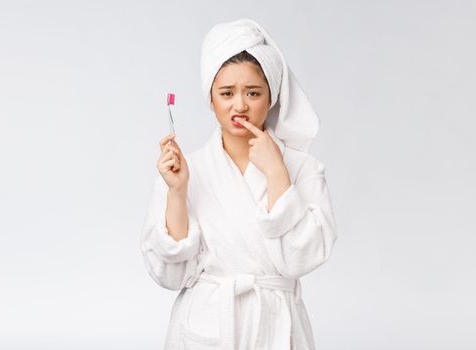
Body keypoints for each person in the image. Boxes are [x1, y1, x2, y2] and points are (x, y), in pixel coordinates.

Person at [140, 18, 337, 350]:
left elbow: (302, 260)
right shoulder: (186, 170)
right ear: (211, 99)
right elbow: (169, 276)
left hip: (277, 327)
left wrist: (277, 174)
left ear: (272, 97)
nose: (240, 105)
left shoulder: (303, 168)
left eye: (253, 93)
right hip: (208, 325)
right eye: (227, 93)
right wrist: (177, 191)